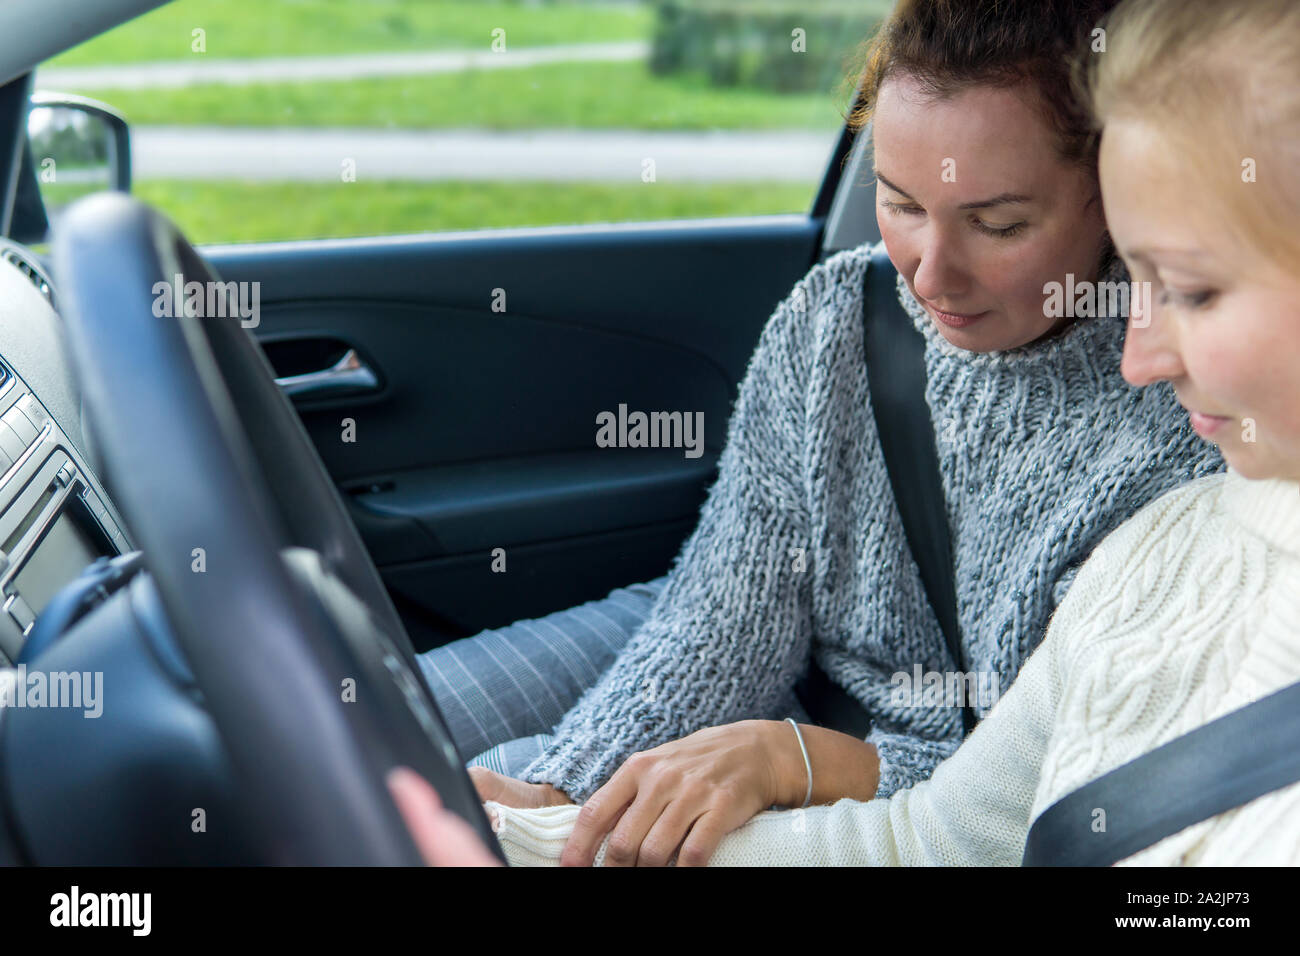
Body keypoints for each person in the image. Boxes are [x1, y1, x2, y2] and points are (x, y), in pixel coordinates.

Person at [476, 0, 1300, 866]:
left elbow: (1022, 796)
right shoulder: (840, 316)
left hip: (897, 782)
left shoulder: (1208, 428)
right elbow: (722, 614)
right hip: (803, 717)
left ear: (1113, 194)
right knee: (468, 776)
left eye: (999, 223)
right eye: (901, 203)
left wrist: (797, 762)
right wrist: (566, 791)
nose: (931, 273)